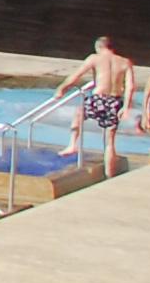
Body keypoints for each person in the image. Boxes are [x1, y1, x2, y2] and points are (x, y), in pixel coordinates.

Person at [55, 35, 137, 179]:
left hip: (99, 97)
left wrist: (62, 89)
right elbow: (130, 87)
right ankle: (109, 176)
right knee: (110, 141)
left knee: (79, 113)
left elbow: (76, 76)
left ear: (99, 47)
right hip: (115, 100)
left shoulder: (94, 58)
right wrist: (127, 106)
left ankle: (73, 144)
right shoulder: (125, 62)